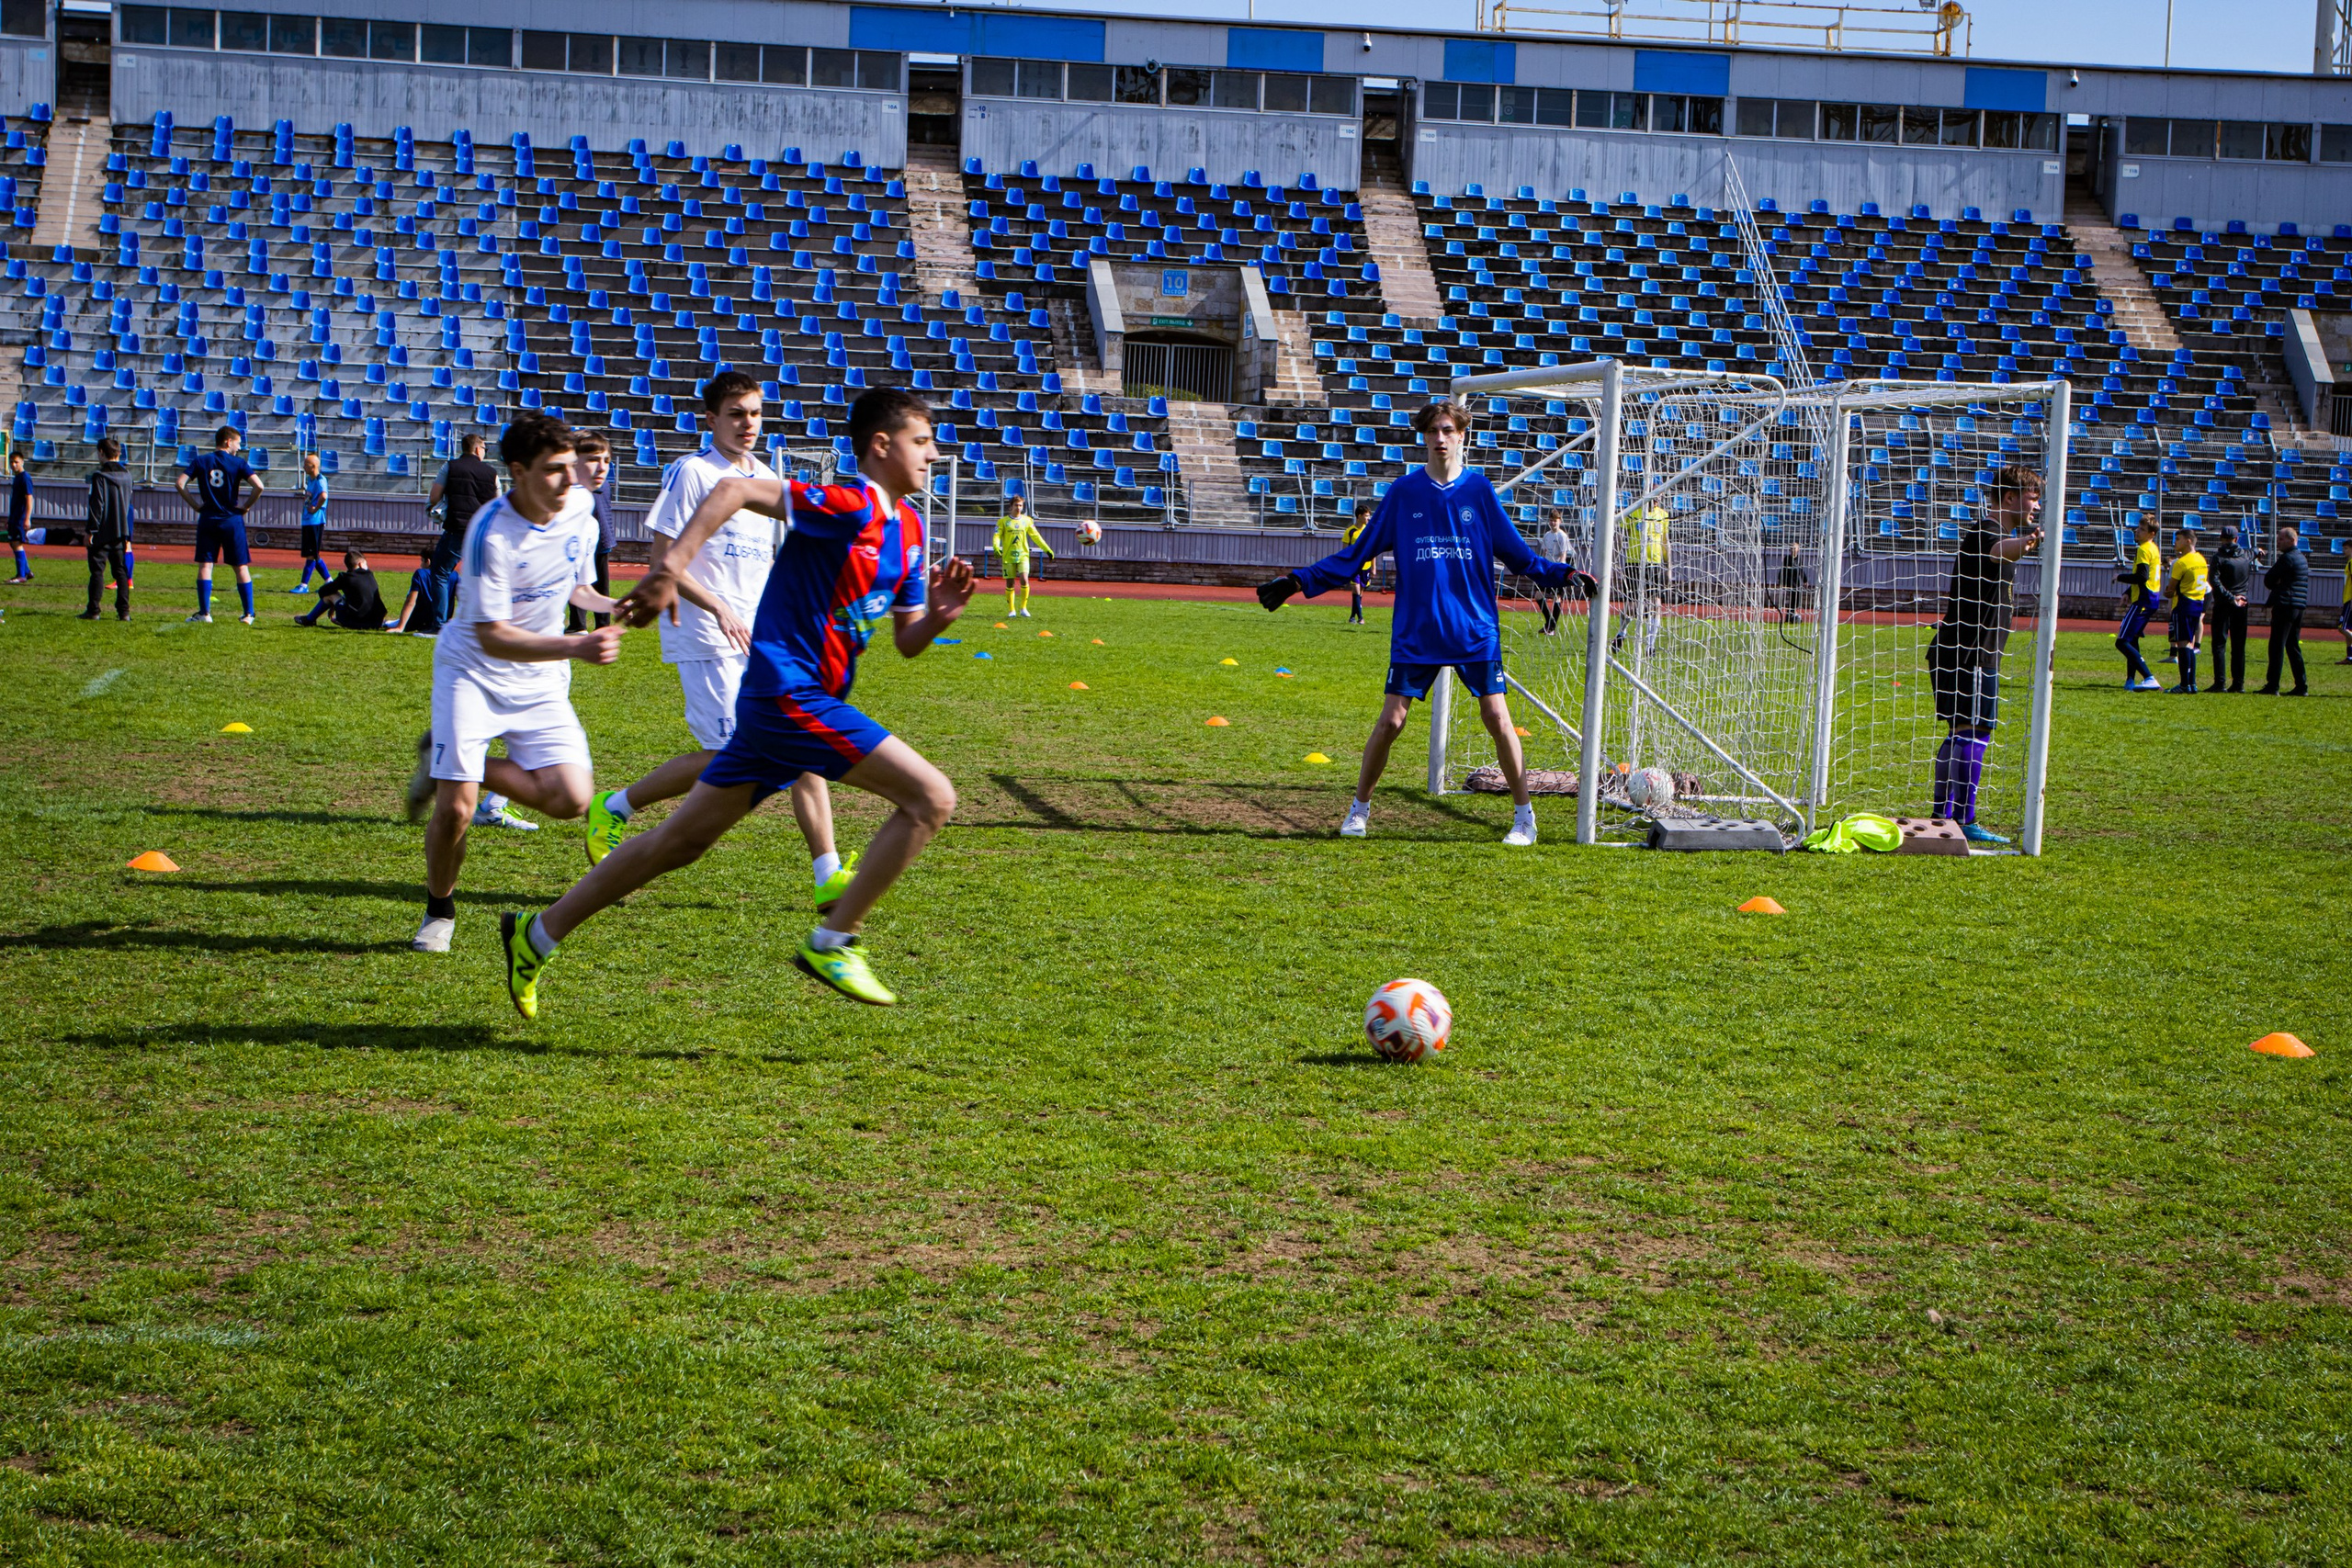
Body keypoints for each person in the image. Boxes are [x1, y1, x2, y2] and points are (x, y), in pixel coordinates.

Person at [500, 387, 976, 1014]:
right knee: (932, 797)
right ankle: (834, 938)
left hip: (793, 706)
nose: (933, 454)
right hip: (787, 694)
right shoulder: (848, 503)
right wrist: (670, 568)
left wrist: (939, 617)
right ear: (882, 446)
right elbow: (731, 492)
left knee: (677, 843)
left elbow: (908, 639)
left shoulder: (910, 530)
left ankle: (536, 932)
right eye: (922, 441)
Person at [582, 372, 854, 915]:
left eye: (754, 413)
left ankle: (829, 875)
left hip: (761, 636)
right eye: (735, 414)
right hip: (704, 630)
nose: (747, 424)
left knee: (800, 740)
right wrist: (720, 607)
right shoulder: (692, 473)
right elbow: (664, 562)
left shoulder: (768, 478)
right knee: (733, 754)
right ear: (711, 419)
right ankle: (615, 807)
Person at [1255, 397, 1577, 846]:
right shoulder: (1404, 495)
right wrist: (1297, 581)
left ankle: (1525, 819)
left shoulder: (1479, 493)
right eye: (1433, 431)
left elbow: (1520, 558)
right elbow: (1356, 557)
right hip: (1417, 631)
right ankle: (1359, 811)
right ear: (1424, 437)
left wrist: (1565, 575)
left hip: (1473, 629)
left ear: (1462, 436)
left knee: (1497, 718)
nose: (1440, 438)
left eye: (1448, 430)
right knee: (1391, 721)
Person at [403, 415, 623, 954]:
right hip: (473, 673)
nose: (570, 480)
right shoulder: (489, 533)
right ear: (518, 472)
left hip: (540, 679)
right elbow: (494, 636)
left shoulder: (581, 509)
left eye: (570, 467)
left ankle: (445, 759)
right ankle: (439, 910)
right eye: (553, 471)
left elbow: (577, 587)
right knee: (456, 810)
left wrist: (613, 606)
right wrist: (575, 645)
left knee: (573, 799)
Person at [1923, 466, 2043, 846]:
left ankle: (1944, 814)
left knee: (1961, 730)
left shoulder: (1989, 532)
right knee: (1976, 731)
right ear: (2010, 497)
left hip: (1960, 649)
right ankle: (1963, 818)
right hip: (1972, 653)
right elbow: (1996, 550)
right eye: (2032, 497)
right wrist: (2025, 543)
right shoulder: (1987, 531)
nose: (2037, 506)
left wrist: (2021, 543)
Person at [177, 425, 266, 625]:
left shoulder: (201, 460)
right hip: (231, 519)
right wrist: (245, 506)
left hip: (208, 517)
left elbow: (180, 483)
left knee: (206, 565)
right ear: (228, 441)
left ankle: (205, 613)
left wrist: (195, 505)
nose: (239, 447)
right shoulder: (238, 463)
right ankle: (249, 614)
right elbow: (259, 486)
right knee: (240, 567)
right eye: (238, 443)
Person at [427, 433, 502, 626]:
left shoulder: (450, 467)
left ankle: (440, 623)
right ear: (478, 449)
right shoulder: (492, 473)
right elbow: (497, 506)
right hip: (482, 532)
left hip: (457, 528)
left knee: (441, 573)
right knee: (481, 577)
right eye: (485, 449)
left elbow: (434, 496)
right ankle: (482, 621)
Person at [565, 431, 616, 634]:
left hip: (601, 541)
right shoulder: (539, 511)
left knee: (599, 583)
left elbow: (580, 590)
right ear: (572, 462)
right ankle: (578, 625)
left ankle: (596, 625)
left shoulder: (588, 524)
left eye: (607, 460)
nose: (603, 468)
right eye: (593, 460)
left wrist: (615, 605)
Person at [78, 437, 133, 621]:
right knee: (120, 571)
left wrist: (90, 530)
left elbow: (97, 505)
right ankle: (124, 612)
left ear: (101, 452)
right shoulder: (127, 476)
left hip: (102, 531)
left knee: (97, 571)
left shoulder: (100, 476)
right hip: (120, 531)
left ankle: (94, 610)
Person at [2256, 524, 2309, 697]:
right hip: (2298, 606)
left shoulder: (2287, 558)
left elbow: (2269, 579)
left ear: (2292, 540)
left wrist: (2277, 584)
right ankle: (2301, 685)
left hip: (2285, 604)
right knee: (2293, 646)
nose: (2278, 542)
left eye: (2281, 539)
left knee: (2277, 645)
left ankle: (2273, 685)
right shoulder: (2301, 557)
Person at [1612, 499, 1669, 655]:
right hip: (1634, 564)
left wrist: (1668, 567)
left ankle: (1650, 645)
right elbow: (1620, 536)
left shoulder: (1663, 515)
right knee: (1632, 606)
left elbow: (1665, 542)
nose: (1657, 499)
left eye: (1660, 496)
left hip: (1654, 564)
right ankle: (1621, 632)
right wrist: (1615, 559)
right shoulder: (1633, 512)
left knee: (1656, 604)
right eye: (1655, 495)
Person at [2114, 516, 2165, 691]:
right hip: (2149, 598)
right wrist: (2129, 592)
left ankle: (2149, 677)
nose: (2137, 531)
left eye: (2142, 529)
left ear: (2152, 534)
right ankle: (2130, 680)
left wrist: (2119, 577)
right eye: (2138, 528)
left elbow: (2142, 577)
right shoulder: (2153, 548)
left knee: (2121, 642)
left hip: (2143, 600)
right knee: (2132, 640)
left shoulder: (2144, 549)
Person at [2161, 525, 2209, 694]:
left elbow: (2170, 589)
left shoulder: (2181, 563)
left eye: (2178, 539)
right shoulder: (2201, 560)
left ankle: (2183, 684)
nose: (2175, 543)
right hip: (2197, 603)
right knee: (2190, 644)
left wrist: (2169, 592)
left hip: (2183, 604)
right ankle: (2192, 683)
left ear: (2188, 541)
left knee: (2182, 644)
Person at [2207, 529, 2254, 693]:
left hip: (2224, 604)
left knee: (2219, 644)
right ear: (2236, 538)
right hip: (2242, 604)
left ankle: (2220, 682)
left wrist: (2229, 597)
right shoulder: (2245, 555)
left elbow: (2214, 581)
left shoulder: (2218, 558)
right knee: (2239, 645)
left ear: (2221, 539)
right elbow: (2253, 552)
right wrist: (2259, 550)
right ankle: (2238, 683)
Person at [295, 548, 387, 629]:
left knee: (331, 595)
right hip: (376, 621)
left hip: (358, 621)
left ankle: (309, 619)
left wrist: (333, 605)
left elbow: (323, 591)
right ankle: (343, 619)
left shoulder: (345, 577)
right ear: (360, 564)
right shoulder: (370, 574)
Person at [992, 495, 1053, 617]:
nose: (1019, 508)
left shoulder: (1027, 521)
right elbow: (997, 535)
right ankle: (1011, 610)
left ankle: (1023, 608)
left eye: (1020, 505)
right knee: (1010, 583)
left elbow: (1036, 536)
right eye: (1016, 505)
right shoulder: (1003, 521)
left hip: (1023, 555)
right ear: (1011, 506)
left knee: (1024, 579)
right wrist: (996, 546)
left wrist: (1047, 549)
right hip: (1008, 556)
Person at [293, 452, 332, 594]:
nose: (303, 467)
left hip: (315, 521)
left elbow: (324, 495)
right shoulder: (311, 480)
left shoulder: (321, 480)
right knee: (314, 554)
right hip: (308, 521)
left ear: (313, 466)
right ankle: (329, 582)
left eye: (306, 464)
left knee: (312, 554)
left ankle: (304, 585)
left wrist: (315, 508)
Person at [387, 549, 444, 637]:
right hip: (443, 622)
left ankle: (390, 623)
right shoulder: (454, 575)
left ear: (428, 561)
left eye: (422, 561)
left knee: (388, 624)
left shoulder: (421, 574)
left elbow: (411, 602)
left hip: (420, 620)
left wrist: (400, 627)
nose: (421, 565)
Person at [1535, 513, 1573, 634]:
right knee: (1538, 595)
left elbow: (1563, 555)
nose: (1553, 523)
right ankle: (1549, 622)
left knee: (1557, 597)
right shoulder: (1547, 535)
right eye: (1551, 520)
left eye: (1555, 520)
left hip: (1556, 570)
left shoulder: (1562, 536)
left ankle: (1551, 628)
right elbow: (1545, 552)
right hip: (1547, 569)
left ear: (1560, 521)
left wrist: (1559, 571)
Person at [1344, 502, 1374, 625]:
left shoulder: (1369, 531)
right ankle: (1361, 618)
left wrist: (1374, 567)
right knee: (1356, 590)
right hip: (1354, 565)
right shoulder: (1350, 531)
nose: (1368, 518)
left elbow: (1372, 550)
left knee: (1359, 593)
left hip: (1366, 566)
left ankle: (1352, 617)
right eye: (1366, 516)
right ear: (1359, 516)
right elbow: (1345, 550)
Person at [6, 448, 29, 583]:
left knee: (17, 543)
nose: (13, 465)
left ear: (22, 462)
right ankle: (26, 572)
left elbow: (29, 498)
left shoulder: (25, 477)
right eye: (11, 462)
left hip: (20, 517)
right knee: (12, 542)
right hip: (14, 517)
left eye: (16, 462)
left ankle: (21, 576)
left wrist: (27, 517)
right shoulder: (17, 478)